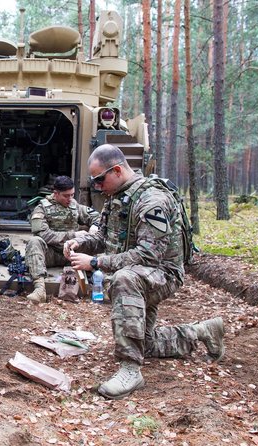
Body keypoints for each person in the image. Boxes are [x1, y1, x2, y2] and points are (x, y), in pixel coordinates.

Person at [63, 144, 225, 400]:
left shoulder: (151, 201)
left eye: (99, 179)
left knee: (124, 280)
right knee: (144, 342)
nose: (97, 186)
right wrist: (79, 242)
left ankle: (130, 369)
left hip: (162, 273)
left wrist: (95, 263)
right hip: (140, 271)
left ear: (116, 170)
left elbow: (148, 255)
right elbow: (105, 237)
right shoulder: (118, 197)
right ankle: (202, 331)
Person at [25, 175, 100, 303]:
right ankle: (39, 289)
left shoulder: (74, 205)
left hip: (72, 254)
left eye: (72, 195)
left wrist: (94, 226)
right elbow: (44, 234)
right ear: (56, 193)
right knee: (34, 242)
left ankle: (105, 283)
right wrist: (73, 235)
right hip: (51, 253)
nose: (70, 199)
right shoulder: (41, 208)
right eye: (66, 196)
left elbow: (96, 216)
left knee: (97, 241)